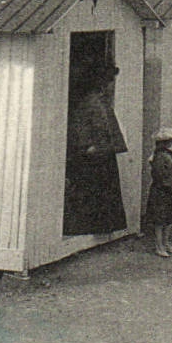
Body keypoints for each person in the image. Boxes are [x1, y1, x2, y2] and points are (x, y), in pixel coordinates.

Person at [65, 66, 129, 236]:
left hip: (104, 153)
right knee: (93, 191)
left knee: (106, 190)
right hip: (94, 156)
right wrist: (87, 146)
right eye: (110, 82)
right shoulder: (90, 102)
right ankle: (90, 227)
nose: (112, 85)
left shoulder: (102, 101)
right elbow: (79, 126)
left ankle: (104, 227)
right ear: (102, 83)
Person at [145, 127, 172, 257]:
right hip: (162, 191)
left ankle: (166, 243)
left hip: (168, 191)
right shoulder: (160, 156)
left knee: (169, 218)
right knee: (160, 220)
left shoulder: (167, 154)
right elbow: (161, 175)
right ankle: (159, 245)